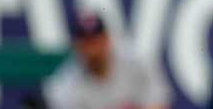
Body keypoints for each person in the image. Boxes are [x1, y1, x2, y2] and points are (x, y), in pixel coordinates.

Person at [43, 11, 171, 109]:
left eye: (96, 41)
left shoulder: (136, 60)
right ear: (76, 46)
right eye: (87, 43)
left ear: (107, 39)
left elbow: (158, 102)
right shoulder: (64, 86)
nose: (93, 50)